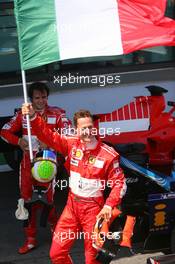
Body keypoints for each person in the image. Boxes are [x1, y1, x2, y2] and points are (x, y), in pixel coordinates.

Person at [22, 104, 127, 264]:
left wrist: (108, 205)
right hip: (71, 208)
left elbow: (119, 183)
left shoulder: (108, 155)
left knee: (93, 259)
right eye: (83, 128)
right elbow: (47, 136)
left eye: (90, 127)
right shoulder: (71, 144)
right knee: (56, 254)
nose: (87, 131)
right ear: (76, 130)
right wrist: (33, 117)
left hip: (94, 211)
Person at [0, 82, 71, 254]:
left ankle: (56, 232)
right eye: (37, 98)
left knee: (50, 200)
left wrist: (53, 141)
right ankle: (30, 239)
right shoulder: (22, 115)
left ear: (48, 97)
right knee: (27, 201)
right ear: (31, 99)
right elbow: (4, 132)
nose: (41, 101)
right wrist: (18, 141)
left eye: (44, 97)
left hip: (49, 163)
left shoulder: (58, 113)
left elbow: (69, 134)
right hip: (27, 164)